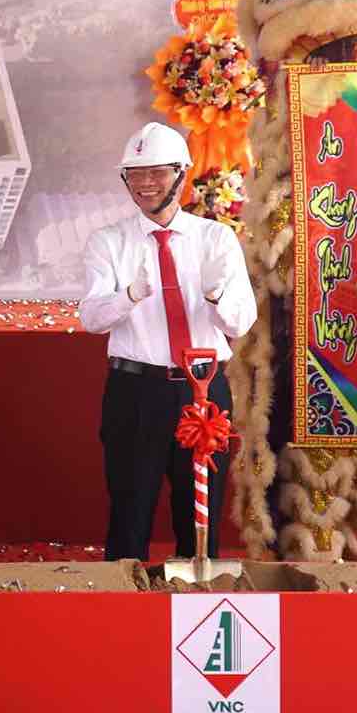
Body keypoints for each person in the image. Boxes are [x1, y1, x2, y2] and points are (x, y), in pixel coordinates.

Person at [77, 122, 257, 561]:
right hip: (136, 390)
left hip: (204, 389)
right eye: (135, 175)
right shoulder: (108, 242)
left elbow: (240, 323)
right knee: (130, 508)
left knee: (200, 508)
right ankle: (125, 595)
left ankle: (198, 593)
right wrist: (129, 295)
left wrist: (214, 296)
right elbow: (92, 319)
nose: (145, 184)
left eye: (156, 172)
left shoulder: (216, 238)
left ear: (181, 174)